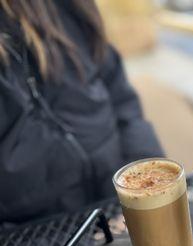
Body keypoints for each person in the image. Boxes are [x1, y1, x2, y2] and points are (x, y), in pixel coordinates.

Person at [0, 0, 163, 225]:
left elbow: (120, 97)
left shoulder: (67, 7)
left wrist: (146, 175)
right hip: (36, 233)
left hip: (118, 196)